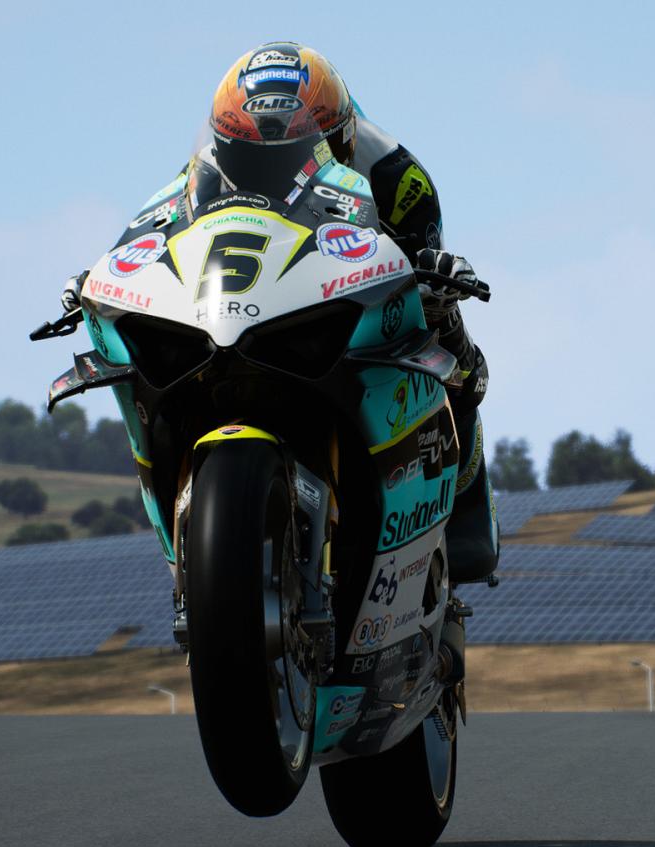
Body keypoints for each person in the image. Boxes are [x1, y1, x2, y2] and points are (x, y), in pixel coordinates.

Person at [59, 41, 497, 581]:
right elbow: (145, 235)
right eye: (249, 156)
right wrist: (99, 282)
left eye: (284, 153)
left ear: (342, 136)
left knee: (452, 350)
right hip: (249, 299)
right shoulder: (198, 172)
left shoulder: (397, 178)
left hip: (343, 284)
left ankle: (468, 511)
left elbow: (429, 263)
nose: (265, 165)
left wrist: (434, 281)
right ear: (224, 143)